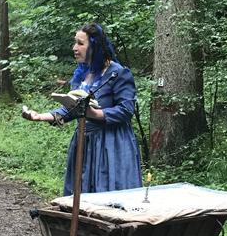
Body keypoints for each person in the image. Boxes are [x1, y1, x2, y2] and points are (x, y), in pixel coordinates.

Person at [22, 22, 142, 196]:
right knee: (81, 197)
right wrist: (39, 116)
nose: (74, 48)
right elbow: (72, 108)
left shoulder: (118, 73)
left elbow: (126, 110)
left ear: (94, 46)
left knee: (108, 197)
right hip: (84, 142)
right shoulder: (82, 74)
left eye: (80, 43)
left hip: (111, 144)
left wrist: (94, 113)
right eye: (75, 42)